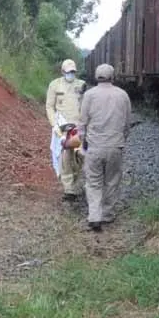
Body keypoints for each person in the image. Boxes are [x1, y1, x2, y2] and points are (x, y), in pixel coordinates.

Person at [79, 63, 132, 232]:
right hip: (115, 146)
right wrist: (122, 139)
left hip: (94, 146)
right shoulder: (123, 95)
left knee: (93, 182)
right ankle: (107, 214)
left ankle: (94, 216)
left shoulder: (89, 95)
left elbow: (82, 123)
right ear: (112, 77)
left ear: (96, 77)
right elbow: (127, 123)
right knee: (112, 181)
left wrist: (82, 142)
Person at [45, 59, 87, 201]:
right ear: (63, 72)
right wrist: (54, 124)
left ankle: (75, 182)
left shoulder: (81, 85)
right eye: (68, 72)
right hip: (62, 127)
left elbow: (86, 105)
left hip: (78, 127)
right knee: (64, 157)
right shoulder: (54, 85)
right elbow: (49, 106)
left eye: (73, 72)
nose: (71, 74)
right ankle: (69, 189)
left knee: (79, 157)